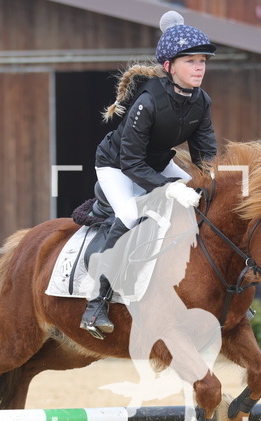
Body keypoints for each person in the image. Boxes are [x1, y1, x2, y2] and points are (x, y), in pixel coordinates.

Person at [79, 10, 217, 338]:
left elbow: (205, 157)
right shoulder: (148, 102)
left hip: (154, 163)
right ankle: (96, 302)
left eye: (202, 61)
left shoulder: (201, 101)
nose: (199, 67)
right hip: (117, 166)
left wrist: (210, 184)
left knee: (205, 204)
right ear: (169, 66)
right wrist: (169, 188)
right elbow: (131, 163)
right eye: (191, 61)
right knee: (130, 216)